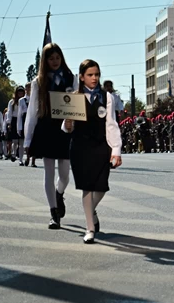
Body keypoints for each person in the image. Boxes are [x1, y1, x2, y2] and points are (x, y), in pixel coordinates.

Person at [63, 60, 122, 244]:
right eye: (90, 75)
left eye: (96, 74)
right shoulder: (73, 97)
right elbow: (66, 128)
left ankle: (91, 210)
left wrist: (116, 150)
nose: (94, 78)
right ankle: (90, 228)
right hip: (80, 147)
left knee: (101, 187)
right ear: (81, 77)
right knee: (87, 187)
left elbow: (111, 124)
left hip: (100, 146)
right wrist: (68, 122)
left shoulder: (107, 97)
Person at [24, 43, 77, 230]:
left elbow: (77, 106)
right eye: (51, 58)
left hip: (66, 128)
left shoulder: (72, 78)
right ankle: (54, 213)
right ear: (45, 61)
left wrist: (74, 125)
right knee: (49, 172)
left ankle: (59, 193)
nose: (54, 61)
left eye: (57, 58)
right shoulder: (38, 82)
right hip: (46, 127)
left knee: (64, 175)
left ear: (61, 58)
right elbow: (31, 112)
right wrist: (27, 139)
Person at [6, 86, 25, 162]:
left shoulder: (25, 101)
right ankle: (13, 153)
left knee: (21, 141)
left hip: (22, 120)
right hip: (14, 120)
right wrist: (9, 122)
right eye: (19, 92)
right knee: (15, 141)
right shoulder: (12, 102)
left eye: (21, 92)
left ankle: (21, 159)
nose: (20, 93)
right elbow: (9, 113)